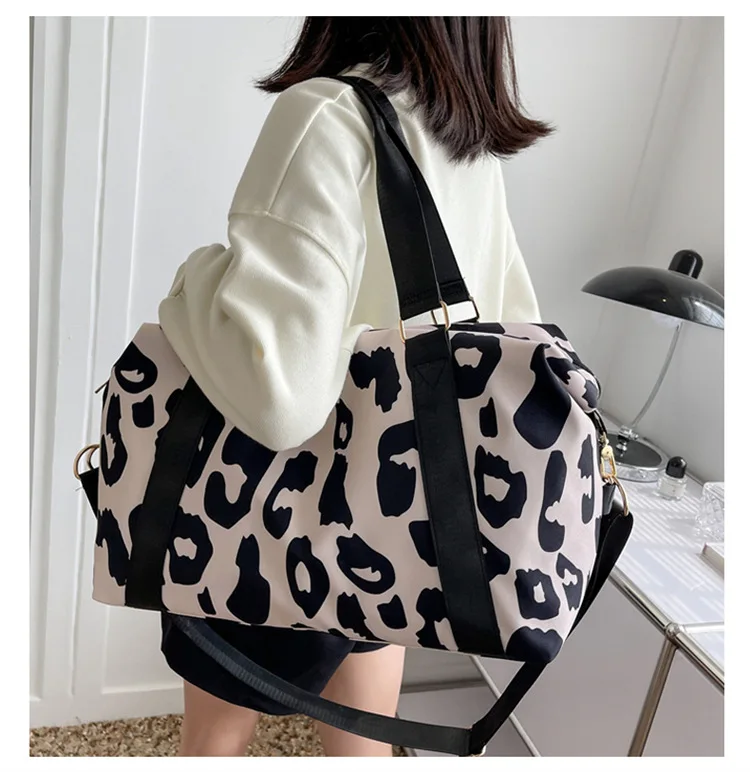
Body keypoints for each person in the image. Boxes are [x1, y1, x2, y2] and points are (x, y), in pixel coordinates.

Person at [157, 16, 549, 757]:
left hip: (267, 516)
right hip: (400, 526)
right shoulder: (462, 143)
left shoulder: (326, 113)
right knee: (361, 750)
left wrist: (196, 280)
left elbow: (278, 398)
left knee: (213, 745)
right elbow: (509, 335)